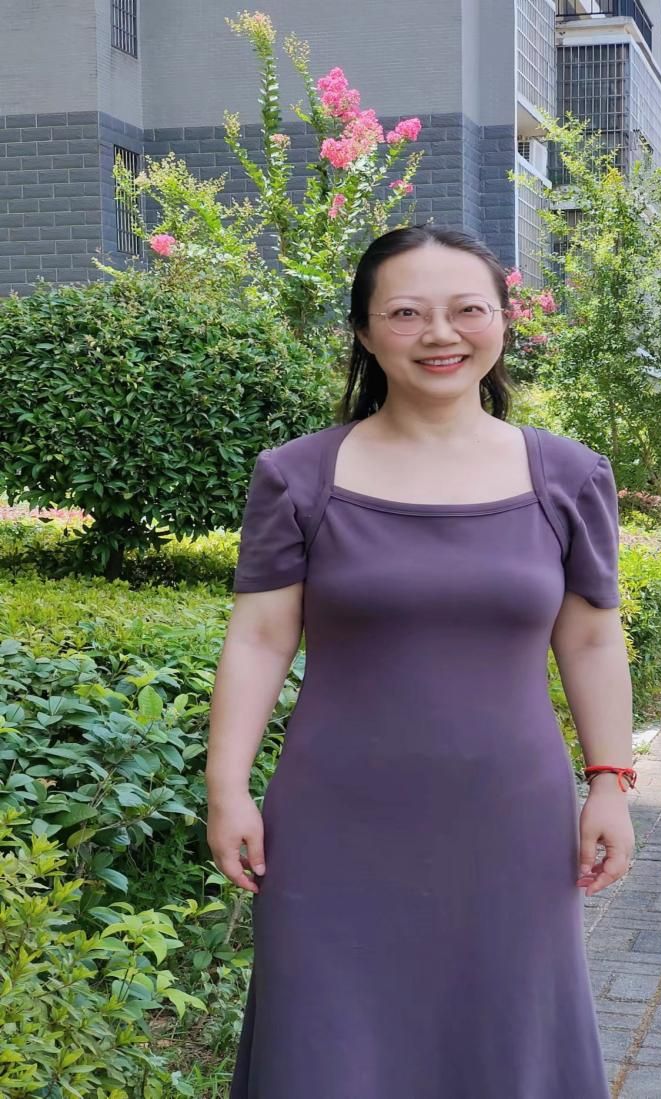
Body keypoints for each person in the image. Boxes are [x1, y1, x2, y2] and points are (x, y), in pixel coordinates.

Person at [207, 225, 636, 1098]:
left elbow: (591, 639)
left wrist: (609, 783)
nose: (441, 334)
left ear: (503, 321)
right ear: (365, 332)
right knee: (329, 1045)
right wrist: (227, 788)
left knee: (505, 1034)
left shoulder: (568, 475)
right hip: (333, 822)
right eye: (406, 313)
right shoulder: (298, 476)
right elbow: (259, 637)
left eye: (467, 309)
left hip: (510, 821)